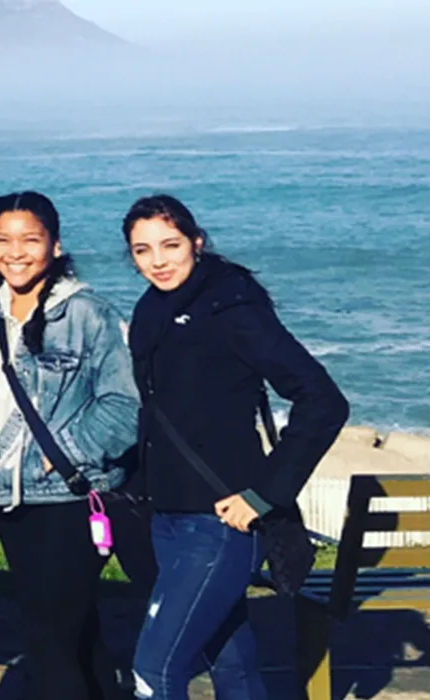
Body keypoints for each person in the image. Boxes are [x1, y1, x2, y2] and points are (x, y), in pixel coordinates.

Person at [122, 194, 348, 700]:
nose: (158, 261)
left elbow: (323, 401)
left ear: (196, 242)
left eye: (170, 245)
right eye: (142, 250)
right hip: (167, 516)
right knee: (230, 660)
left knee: (152, 672)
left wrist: (264, 494)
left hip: (223, 519)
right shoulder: (151, 309)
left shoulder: (233, 307)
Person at [0, 192, 139, 700]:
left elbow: (125, 407)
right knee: (76, 634)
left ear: (55, 246)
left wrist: (62, 455)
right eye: (2, 240)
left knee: (49, 640)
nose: (15, 252)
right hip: (12, 498)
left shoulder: (87, 314)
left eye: (30, 239)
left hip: (69, 498)